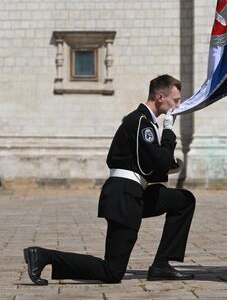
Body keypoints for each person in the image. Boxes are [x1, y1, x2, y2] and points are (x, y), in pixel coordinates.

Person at [23, 74, 196, 285]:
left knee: (183, 200)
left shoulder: (143, 122)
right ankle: (43, 256)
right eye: (176, 100)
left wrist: (168, 164)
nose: (178, 105)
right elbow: (158, 162)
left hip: (133, 193)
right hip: (123, 197)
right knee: (112, 271)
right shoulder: (142, 122)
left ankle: (162, 264)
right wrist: (169, 130)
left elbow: (148, 165)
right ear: (161, 97)